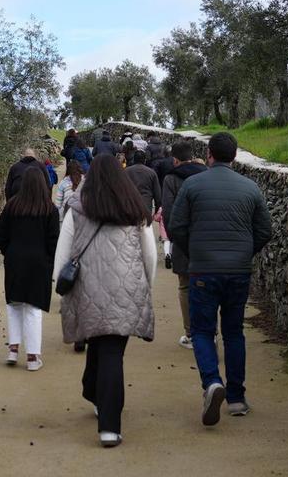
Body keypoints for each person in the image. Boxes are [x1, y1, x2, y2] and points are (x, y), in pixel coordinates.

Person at [169, 132, 272, 426]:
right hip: (238, 272)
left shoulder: (192, 185)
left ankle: (212, 382)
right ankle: (237, 398)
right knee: (233, 332)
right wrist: (243, 252)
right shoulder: (250, 188)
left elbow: (177, 227)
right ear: (235, 156)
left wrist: (195, 253)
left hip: (202, 270)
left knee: (202, 332)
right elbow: (265, 230)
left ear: (209, 155)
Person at [54, 154, 156, 447]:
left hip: (88, 288)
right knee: (111, 350)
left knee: (102, 346)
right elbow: (149, 254)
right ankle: (102, 409)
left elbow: (64, 252)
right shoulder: (135, 210)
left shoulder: (76, 209)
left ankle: (106, 420)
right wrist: (146, 286)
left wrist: (59, 287)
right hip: (127, 290)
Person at [0, 168, 61, 371]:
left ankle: (13, 350)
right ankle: (33, 357)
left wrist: (9, 252)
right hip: (39, 262)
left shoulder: (11, 207)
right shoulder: (49, 209)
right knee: (33, 309)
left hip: (15, 260)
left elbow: (1, 235)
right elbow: (53, 240)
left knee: (14, 305)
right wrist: (49, 261)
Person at [161, 140, 208, 348]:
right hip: (206, 239)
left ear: (175, 159)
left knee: (185, 286)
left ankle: (190, 334)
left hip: (182, 240)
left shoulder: (171, 179)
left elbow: (169, 212)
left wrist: (174, 239)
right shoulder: (207, 174)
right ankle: (210, 331)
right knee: (208, 287)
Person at [124, 148, 161, 219]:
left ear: (134, 160)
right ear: (145, 160)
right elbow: (157, 195)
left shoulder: (126, 171)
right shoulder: (151, 173)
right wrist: (156, 210)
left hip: (130, 205)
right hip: (146, 206)